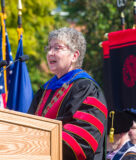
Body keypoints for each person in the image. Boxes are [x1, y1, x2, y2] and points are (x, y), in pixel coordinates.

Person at [28, 27, 107, 160]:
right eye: (49, 48)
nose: (50, 53)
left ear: (74, 56)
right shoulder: (45, 90)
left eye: (57, 48)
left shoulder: (87, 89)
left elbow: (82, 140)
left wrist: (37, 142)